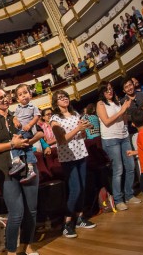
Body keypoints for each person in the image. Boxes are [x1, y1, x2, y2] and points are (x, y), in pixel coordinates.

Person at [0, 86, 39, 255]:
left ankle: (27, 245)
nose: (5, 99)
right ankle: (11, 250)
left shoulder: (19, 115)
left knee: (31, 211)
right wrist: (12, 145)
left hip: (27, 166)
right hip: (6, 171)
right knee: (16, 214)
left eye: (6, 96)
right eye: (1, 98)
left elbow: (38, 134)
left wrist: (28, 142)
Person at [50, 90, 96, 238]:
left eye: (65, 96)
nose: (64, 99)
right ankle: (67, 222)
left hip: (80, 153)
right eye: (60, 98)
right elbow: (62, 140)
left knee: (82, 187)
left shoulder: (75, 114)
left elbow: (81, 135)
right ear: (56, 103)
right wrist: (78, 128)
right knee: (75, 189)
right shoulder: (55, 118)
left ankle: (80, 217)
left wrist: (84, 130)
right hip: (67, 157)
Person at [96, 81, 138, 211]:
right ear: (102, 92)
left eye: (111, 88)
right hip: (111, 139)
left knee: (130, 166)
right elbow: (107, 121)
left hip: (123, 136)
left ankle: (129, 194)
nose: (110, 91)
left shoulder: (117, 102)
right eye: (106, 90)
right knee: (118, 170)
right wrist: (122, 110)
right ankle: (119, 199)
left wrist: (125, 113)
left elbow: (124, 119)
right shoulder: (100, 104)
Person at [9, 84, 42, 183]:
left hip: (28, 131)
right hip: (21, 130)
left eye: (25, 93)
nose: (23, 95)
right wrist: (16, 121)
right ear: (17, 99)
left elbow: (37, 116)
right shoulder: (18, 108)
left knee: (14, 143)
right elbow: (14, 117)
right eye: (20, 94)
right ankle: (31, 170)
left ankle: (17, 161)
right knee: (28, 149)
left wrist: (30, 124)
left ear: (30, 95)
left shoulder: (33, 106)